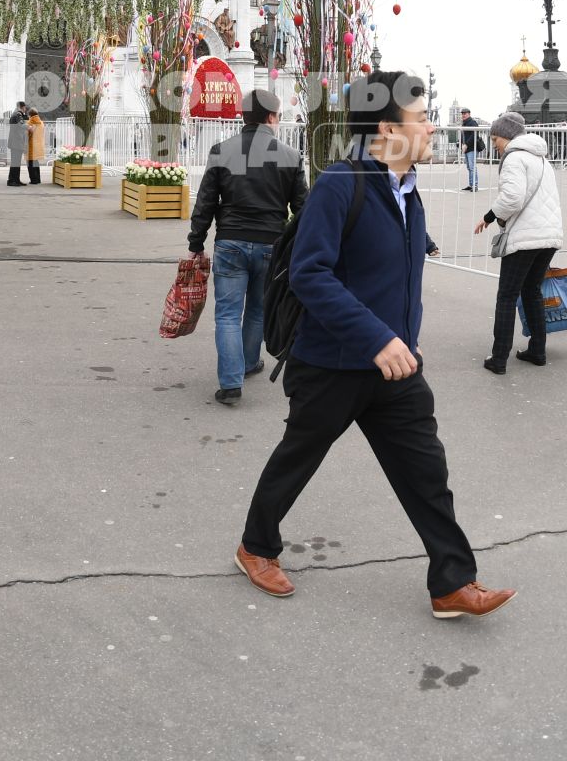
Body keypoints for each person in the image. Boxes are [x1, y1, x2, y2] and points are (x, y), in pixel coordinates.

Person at [235, 70, 514, 619]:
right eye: (422, 117)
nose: (432, 126)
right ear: (388, 127)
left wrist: (402, 341)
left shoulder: (410, 196)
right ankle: (255, 546)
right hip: (333, 364)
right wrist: (377, 337)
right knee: (299, 458)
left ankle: (453, 583)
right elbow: (310, 275)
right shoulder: (340, 184)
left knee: (426, 472)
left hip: (396, 368)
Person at [187, 88, 309, 404]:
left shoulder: (221, 150)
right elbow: (303, 209)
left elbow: (205, 202)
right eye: (279, 116)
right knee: (257, 308)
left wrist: (196, 242)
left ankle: (230, 383)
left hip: (230, 242)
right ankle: (250, 362)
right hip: (271, 243)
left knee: (227, 314)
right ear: (270, 117)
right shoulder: (291, 156)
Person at [473, 111, 564, 372]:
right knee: (531, 291)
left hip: (526, 237)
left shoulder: (514, 158)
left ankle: (498, 358)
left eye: (495, 139)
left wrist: (490, 216)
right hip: (549, 236)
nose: (494, 145)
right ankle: (537, 350)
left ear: (506, 136)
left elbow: (513, 198)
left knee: (507, 296)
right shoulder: (542, 159)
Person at [458, 107, 482, 191]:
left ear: (469, 114)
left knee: (472, 167)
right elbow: (463, 136)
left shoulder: (472, 122)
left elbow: (474, 135)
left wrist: (466, 145)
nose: (463, 115)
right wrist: (461, 144)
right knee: (469, 167)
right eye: (462, 113)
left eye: (465, 113)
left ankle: (474, 185)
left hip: (472, 148)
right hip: (467, 148)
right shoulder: (464, 123)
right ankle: (471, 185)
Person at [6, 101, 28, 186]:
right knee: (15, 162)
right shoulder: (18, 114)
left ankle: (16, 179)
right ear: (22, 107)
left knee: (16, 162)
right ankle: (12, 180)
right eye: (25, 107)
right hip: (16, 142)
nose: (25, 109)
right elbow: (21, 124)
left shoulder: (15, 114)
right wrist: (29, 127)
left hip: (15, 142)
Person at [26, 107, 46, 184]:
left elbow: (28, 133)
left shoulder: (31, 122)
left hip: (31, 145)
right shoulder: (41, 122)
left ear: (30, 115)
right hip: (39, 144)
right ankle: (38, 179)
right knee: (36, 162)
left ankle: (33, 180)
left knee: (30, 163)